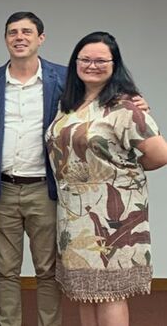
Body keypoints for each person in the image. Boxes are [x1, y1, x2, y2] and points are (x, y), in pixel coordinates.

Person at [46, 32, 167, 326]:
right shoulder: (68, 104)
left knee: (110, 292)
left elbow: (160, 154)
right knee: (86, 291)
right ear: (75, 62)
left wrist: (120, 172)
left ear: (115, 65)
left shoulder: (124, 107)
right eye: (85, 59)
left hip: (114, 214)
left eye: (101, 60)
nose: (92, 65)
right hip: (74, 212)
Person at [0, 11, 66, 326]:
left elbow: (94, 105)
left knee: (48, 271)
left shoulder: (63, 78)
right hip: (3, 190)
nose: (19, 37)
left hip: (44, 190)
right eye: (13, 32)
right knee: (5, 271)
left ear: (41, 38)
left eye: (27, 31)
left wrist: (130, 102)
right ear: (5, 39)